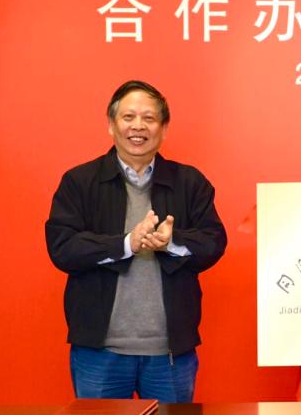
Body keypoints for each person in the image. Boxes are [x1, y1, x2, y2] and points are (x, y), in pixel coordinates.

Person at [46, 80, 227, 402]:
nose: (138, 126)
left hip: (170, 353)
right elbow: (63, 248)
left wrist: (170, 243)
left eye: (149, 118)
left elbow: (214, 241)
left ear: (164, 128)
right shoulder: (80, 181)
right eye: (128, 117)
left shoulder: (189, 182)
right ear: (111, 125)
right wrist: (126, 244)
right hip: (99, 352)